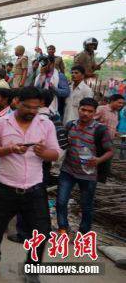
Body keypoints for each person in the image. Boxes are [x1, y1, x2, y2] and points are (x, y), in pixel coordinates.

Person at [0, 87, 60, 283]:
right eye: (28, 106)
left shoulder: (46, 124)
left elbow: (56, 153)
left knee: (41, 233)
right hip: (5, 188)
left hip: (34, 189)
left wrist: (44, 153)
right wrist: (9, 149)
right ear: (16, 102)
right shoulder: (1, 124)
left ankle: (32, 270)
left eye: (36, 107)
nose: (32, 111)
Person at [57, 98, 114, 237]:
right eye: (83, 110)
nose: (86, 113)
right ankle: (63, 228)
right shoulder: (70, 125)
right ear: (78, 109)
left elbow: (110, 151)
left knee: (86, 205)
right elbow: (63, 144)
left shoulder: (100, 129)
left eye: (90, 111)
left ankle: (83, 233)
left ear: (95, 113)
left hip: (89, 175)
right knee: (60, 201)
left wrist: (98, 160)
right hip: (68, 170)